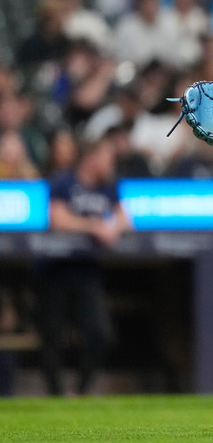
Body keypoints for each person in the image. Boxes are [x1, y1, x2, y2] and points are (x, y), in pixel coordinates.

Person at [38, 134, 132, 395]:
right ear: (91, 157)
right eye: (107, 156)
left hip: (86, 270)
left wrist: (113, 226)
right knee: (51, 335)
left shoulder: (108, 186)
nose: (111, 162)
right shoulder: (63, 181)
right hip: (54, 269)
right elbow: (57, 219)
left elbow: (126, 219)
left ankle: (81, 390)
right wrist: (94, 226)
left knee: (100, 333)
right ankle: (55, 395)